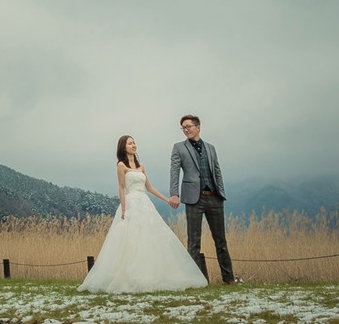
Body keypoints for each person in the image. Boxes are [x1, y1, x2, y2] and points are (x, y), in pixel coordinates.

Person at [77, 135, 207, 293]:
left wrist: (167, 199)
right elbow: (121, 188)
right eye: (130, 143)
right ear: (123, 147)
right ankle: (129, 276)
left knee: (150, 238)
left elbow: (149, 188)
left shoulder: (141, 166)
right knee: (131, 240)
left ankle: (150, 274)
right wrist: (124, 209)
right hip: (131, 202)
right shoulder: (121, 165)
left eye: (134, 143)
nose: (134, 145)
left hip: (145, 203)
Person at [169, 114, 238, 284]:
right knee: (194, 242)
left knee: (221, 240)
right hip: (194, 199)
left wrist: (221, 193)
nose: (186, 130)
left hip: (214, 198)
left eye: (189, 126)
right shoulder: (179, 147)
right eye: (183, 127)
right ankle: (195, 281)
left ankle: (229, 279)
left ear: (198, 127)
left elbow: (217, 171)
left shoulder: (211, 148)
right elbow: (175, 171)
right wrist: (174, 194)